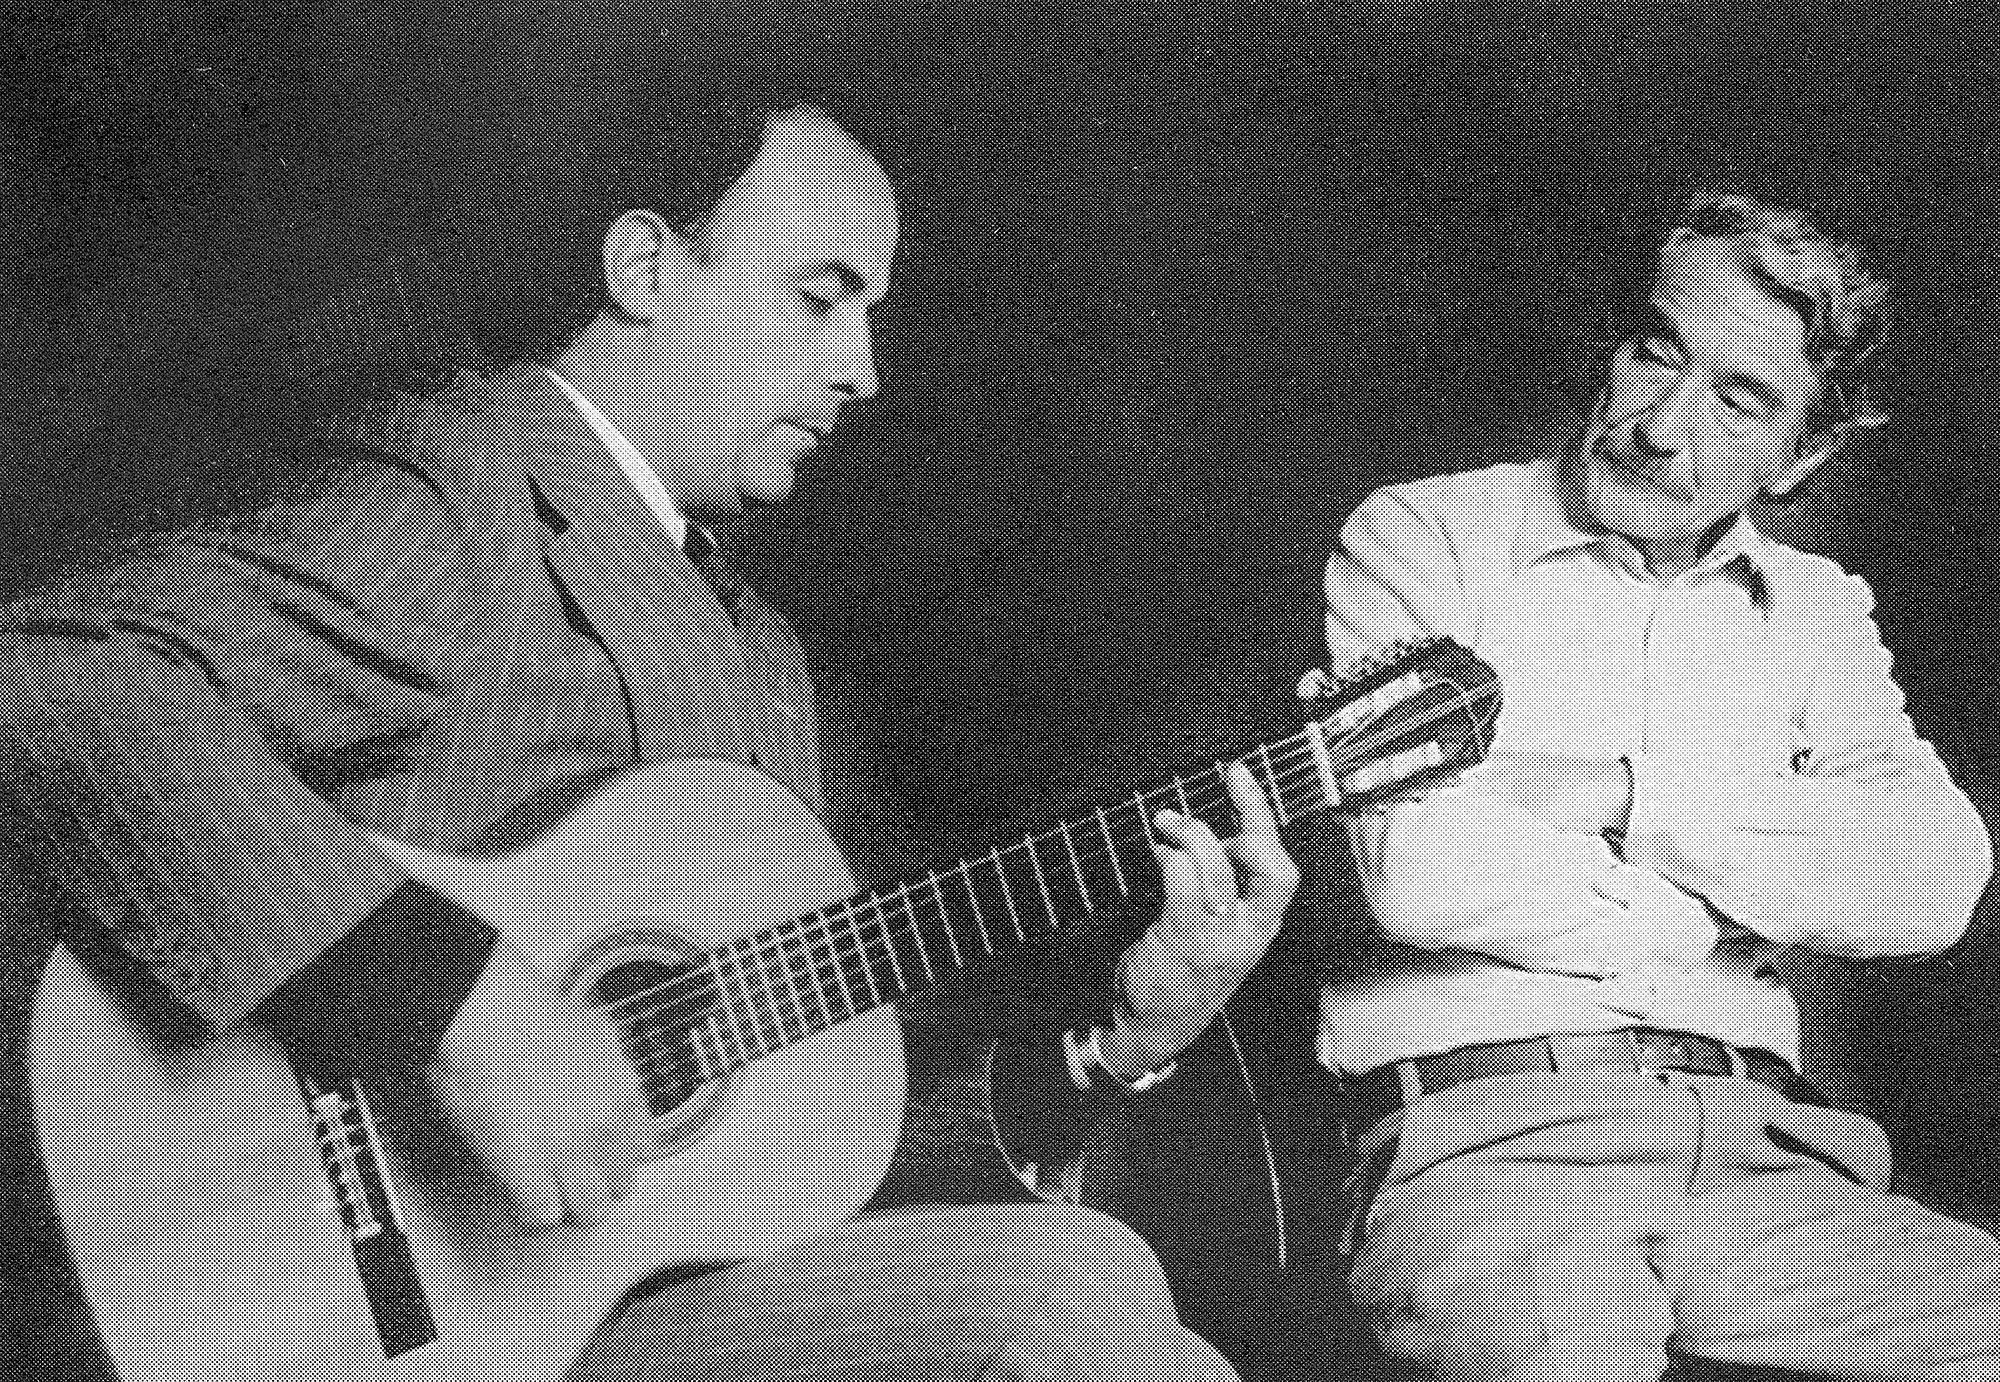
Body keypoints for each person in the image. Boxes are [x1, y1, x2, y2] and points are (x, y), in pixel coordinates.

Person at [0, 63, 1297, 1382]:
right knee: (1080, 1287)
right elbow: (52, 680)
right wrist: (454, 1002)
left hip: (602, 1316)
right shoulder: (465, 495)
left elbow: (787, 1160)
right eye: (820, 299)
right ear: (644, 267)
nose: (862, 370)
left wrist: (1117, 1041)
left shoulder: (762, 659)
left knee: (1175, 1353)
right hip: (335, 1313)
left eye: (871, 315)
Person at [1319, 188, 2000, 1381]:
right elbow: (1417, 874)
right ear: (1612, 342)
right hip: (1490, 1157)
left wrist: (1625, 795)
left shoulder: (1816, 611)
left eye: (1737, 399)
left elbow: (1932, 881)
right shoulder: (1419, 537)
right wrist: (1717, 904)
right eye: (1654, 349)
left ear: (1804, 453)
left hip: (1772, 1162)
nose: (1659, 426)